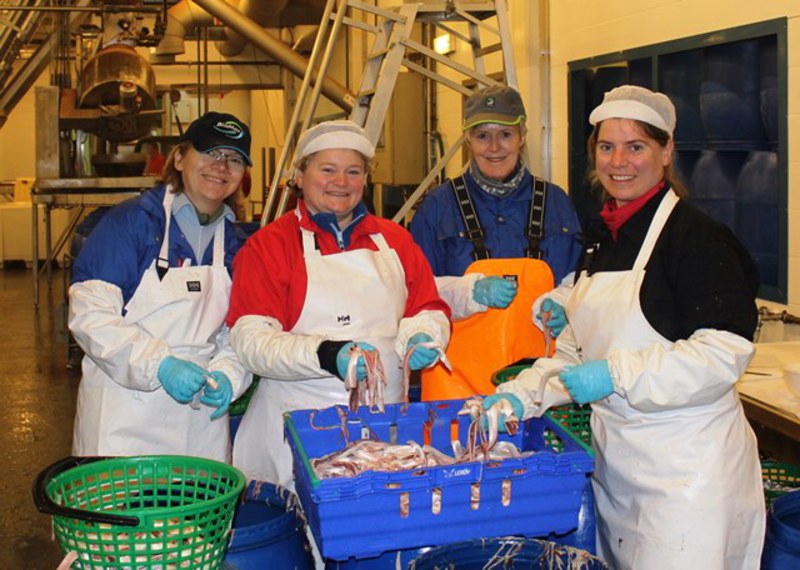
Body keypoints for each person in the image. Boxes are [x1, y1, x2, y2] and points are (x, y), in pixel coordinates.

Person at [485, 85, 764, 568]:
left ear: (666, 150)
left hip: (688, 480)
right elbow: (575, 351)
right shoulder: (603, 237)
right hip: (618, 472)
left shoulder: (698, 239)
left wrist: (615, 374)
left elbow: (722, 355)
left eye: (636, 146)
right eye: (607, 147)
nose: (619, 162)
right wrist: (524, 394)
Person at [226, 120, 451, 487]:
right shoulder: (269, 246)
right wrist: (326, 354)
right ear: (300, 176)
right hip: (294, 439)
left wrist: (425, 335)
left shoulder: (394, 240)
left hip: (384, 437)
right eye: (327, 170)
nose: (341, 182)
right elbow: (251, 342)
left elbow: (428, 307)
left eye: (353, 171)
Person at [69, 111, 254, 461]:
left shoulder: (235, 244)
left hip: (200, 429)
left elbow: (239, 331)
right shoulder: (130, 224)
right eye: (210, 152)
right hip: (123, 424)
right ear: (179, 158)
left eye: (234, 159)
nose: (221, 165)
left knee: (198, 499)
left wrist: (229, 374)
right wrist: (160, 366)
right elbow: (91, 317)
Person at [409, 85, 582, 399]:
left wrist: (566, 305)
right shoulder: (436, 208)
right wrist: (467, 292)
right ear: (467, 140)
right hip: (457, 389)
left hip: (541, 389)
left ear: (522, 136)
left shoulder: (556, 203)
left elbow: (580, 282)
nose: (494, 147)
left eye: (505, 134)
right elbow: (416, 293)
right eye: (482, 136)